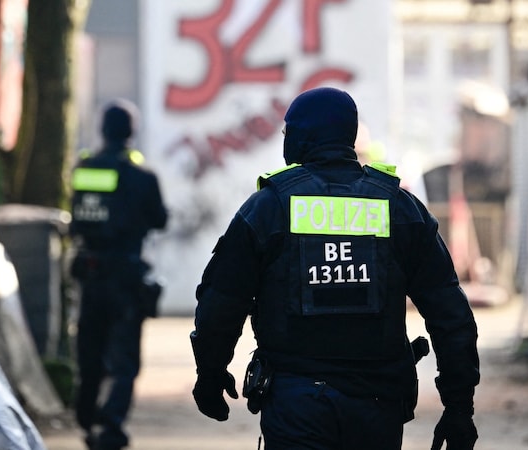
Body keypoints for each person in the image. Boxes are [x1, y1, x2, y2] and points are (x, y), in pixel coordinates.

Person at [190, 87, 479, 449]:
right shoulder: (400, 209)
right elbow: (450, 314)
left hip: (296, 404)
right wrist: (459, 407)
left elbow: (222, 301)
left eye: (288, 131)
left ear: (303, 136)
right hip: (378, 405)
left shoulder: (269, 208)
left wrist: (210, 373)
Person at [69, 100, 168, 450]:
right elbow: (160, 220)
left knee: (90, 350)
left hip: (91, 272)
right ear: (131, 131)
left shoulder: (84, 169)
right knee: (124, 358)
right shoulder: (142, 176)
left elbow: (77, 217)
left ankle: (85, 414)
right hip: (126, 275)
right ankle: (111, 426)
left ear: (102, 129)